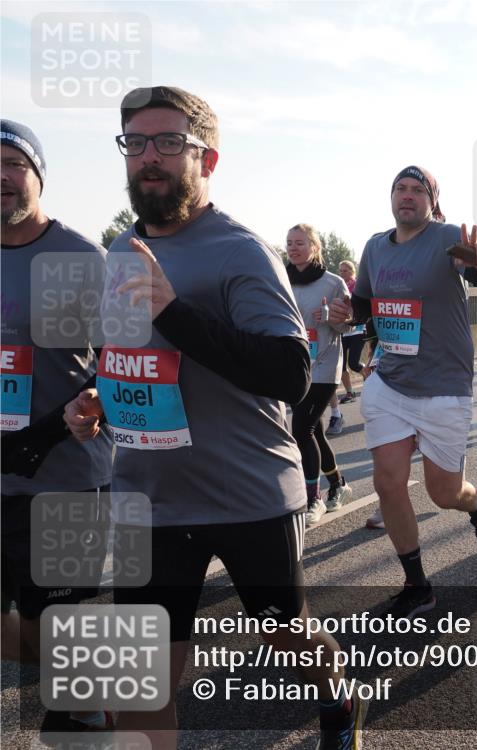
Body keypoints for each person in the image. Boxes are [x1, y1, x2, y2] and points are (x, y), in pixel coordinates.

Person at [64, 86, 366, 749]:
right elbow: (127, 353)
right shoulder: (121, 251)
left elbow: (289, 374)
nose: (150, 157)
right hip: (151, 500)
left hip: (247, 493)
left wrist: (175, 310)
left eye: (169, 142)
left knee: (285, 634)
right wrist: (95, 396)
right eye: (136, 142)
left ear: (209, 159)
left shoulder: (241, 252)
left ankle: (338, 693)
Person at [327, 165, 477, 619]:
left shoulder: (448, 238)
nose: (406, 196)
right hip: (390, 380)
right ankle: (416, 584)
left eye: (416, 190)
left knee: (444, 493)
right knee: (388, 482)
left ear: (431, 200)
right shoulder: (374, 246)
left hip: (444, 383)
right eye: (399, 189)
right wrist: (349, 314)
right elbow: (368, 307)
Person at [1, 119, 115, 734]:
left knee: (73, 697)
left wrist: (95, 400)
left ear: (38, 176)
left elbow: (129, 360)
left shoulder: (78, 257)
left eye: (12, 163)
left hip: (63, 478)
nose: (0, 175)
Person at [286, 223, 354, 523]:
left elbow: (346, 325)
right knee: (313, 431)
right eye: (289, 242)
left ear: (315, 247)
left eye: (300, 242)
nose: (293, 247)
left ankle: (313, 498)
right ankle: (338, 484)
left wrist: (330, 318)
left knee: (301, 430)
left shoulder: (333, 283)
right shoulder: (281, 279)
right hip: (294, 365)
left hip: (325, 366)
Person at [337, 259, 365, 410]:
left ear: (352, 271)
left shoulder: (356, 286)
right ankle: (349, 393)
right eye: (340, 270)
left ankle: (371, 379)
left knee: (354, 363)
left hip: (357, 330)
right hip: (343, 331)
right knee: (341, 365)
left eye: (345, 270)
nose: (342, 273)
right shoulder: (339, 286)